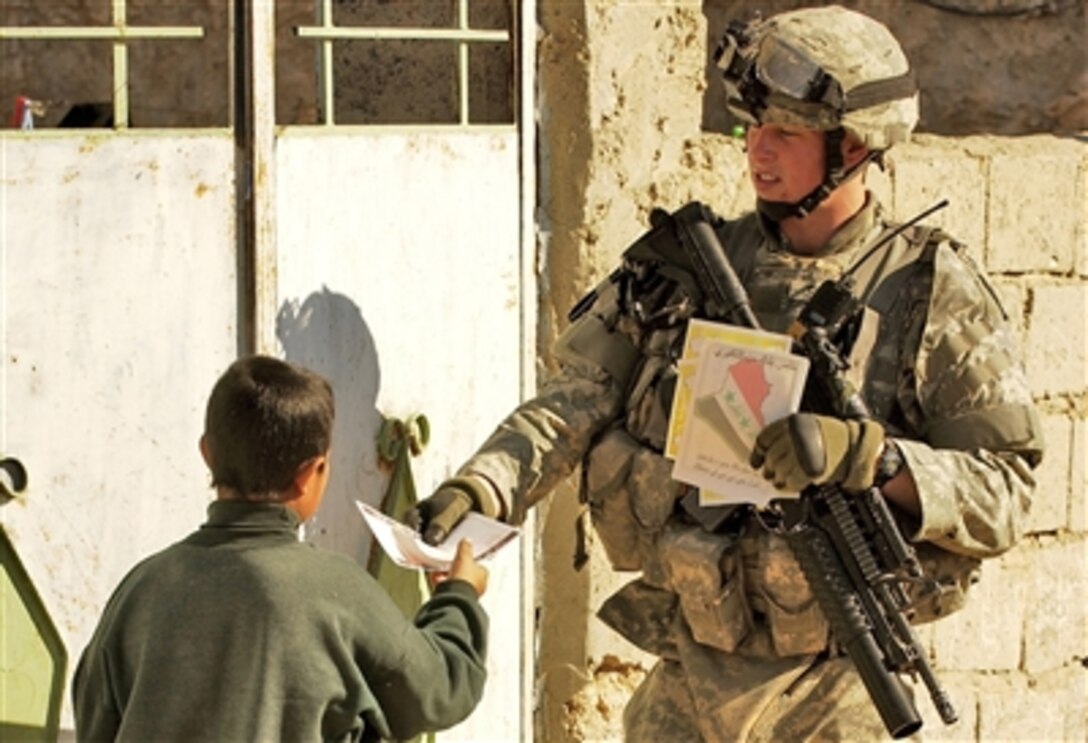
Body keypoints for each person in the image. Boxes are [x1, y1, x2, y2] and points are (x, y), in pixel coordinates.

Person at [406, 5, 1043, 742]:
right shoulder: (686, 268)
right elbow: (572, 400)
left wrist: (870, 457)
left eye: (786, 134)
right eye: (753, 128)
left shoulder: (930, 289)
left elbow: (1005, 488)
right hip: (691, 668)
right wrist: (483, 486)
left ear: (855, 148)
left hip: (836, 683)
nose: (757, 151)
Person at [72, 355, 490, 743]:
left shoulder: (142, 589)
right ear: (310, 474)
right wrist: (458, 596)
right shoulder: (335, 590)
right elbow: (442, 689)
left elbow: (95, 719)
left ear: (207, 453)